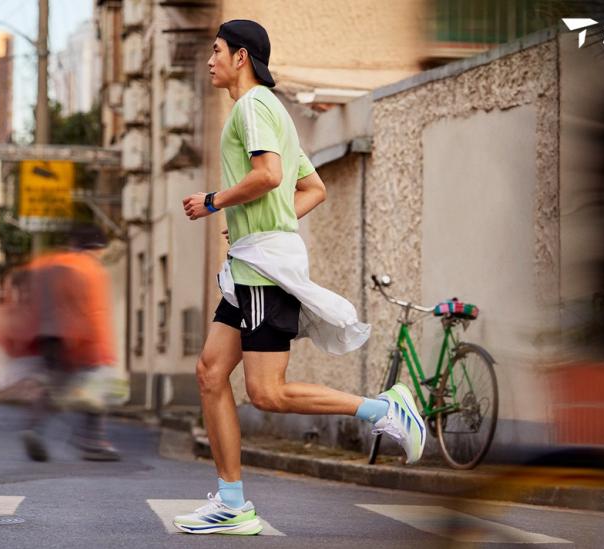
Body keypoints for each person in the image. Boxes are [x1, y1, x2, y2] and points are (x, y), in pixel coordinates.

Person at [175, 20, 424, 536]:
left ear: (241, 57)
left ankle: (386, 409)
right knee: (210, 373)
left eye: (217, 51)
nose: (210, 60)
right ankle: (231, 502)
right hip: (251, 262)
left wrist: (216, 202)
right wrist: (261, 224)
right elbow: (311, 188)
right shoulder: (274, 112)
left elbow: (267, 174)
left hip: (263, 268)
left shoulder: (254, 107)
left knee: (267, 392)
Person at [14, 224, 122, 462]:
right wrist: (103, 352)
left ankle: (34, 427)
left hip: (47, 338)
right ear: (97, 247)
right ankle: (93, 442)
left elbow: (30, 301)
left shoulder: (49, 264)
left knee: (54, 386)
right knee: (95, 390)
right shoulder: (90, 268)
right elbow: (95, 311)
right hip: (80, 338)